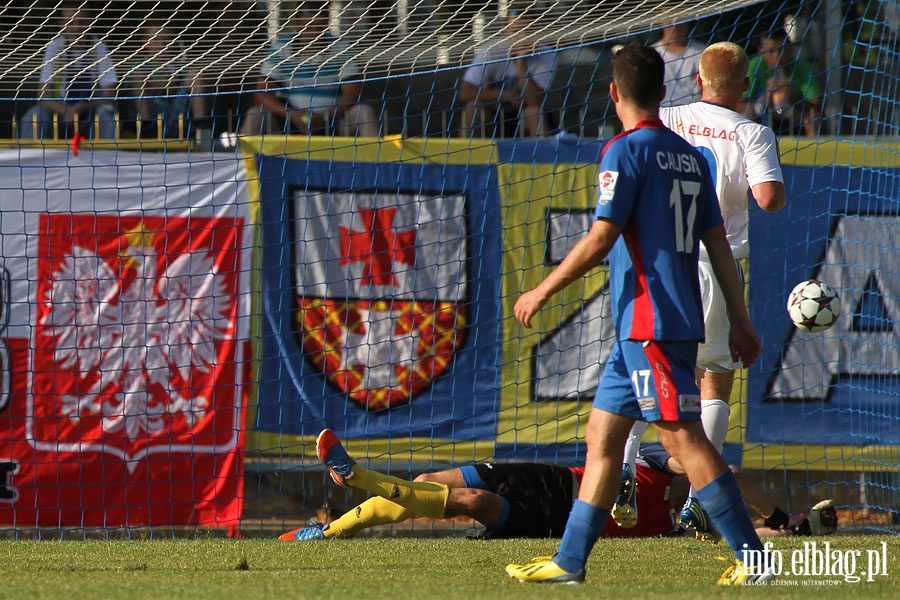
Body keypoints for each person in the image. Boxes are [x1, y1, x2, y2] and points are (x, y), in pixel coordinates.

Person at [501, 42, 770, 585]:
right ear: (664, 91)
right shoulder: (693, 157)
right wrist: (739, 318)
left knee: (683, 440)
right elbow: (718, 244)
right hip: (649, 326)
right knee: (601, 439)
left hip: (652, 321)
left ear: (613, 92)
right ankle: (570, 561)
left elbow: (601, 237)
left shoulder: (623, 151)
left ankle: (754, 558)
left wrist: (542, 292)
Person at [616, 41, 787, 541]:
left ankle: (623, 472)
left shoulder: (668, 116)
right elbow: (769, 199)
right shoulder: (753, 132)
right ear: (745, 87)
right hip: (719, 262)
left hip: (665, 257)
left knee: (648, 370)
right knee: (713, 380)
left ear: (697, 80)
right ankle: (698, 500)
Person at [281, 433, 835, 543]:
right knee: (429, 480)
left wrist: (793, 528)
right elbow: (728, 478)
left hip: (564, 521)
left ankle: (357, 481)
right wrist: (789, 520)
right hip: (554, 481)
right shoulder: (658, 465)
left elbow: (743, 521)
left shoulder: (678, 526)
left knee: (470, 504)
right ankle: (332, 528)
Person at [239, 1, 378, 138]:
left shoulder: (341, 48)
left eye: (320, 28)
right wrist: (291, 115)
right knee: (254, 114)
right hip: (288, 122)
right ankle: (244, 160)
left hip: (333, 121)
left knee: (363, 112)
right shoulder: (280, 49)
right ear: (297, 25)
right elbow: (261, 95)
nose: (314, 35)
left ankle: (379, 159)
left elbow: (352, 94)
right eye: (309, 28)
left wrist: (325, 116)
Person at [18, 2, 117, 141]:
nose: (76, 28)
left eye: (81, 22)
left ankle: (108, 157)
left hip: (90, 108)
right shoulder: (55, 47)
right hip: (59, 109)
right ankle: (28, 157)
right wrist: (66, 110)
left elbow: (109, 94)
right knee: (33, 116)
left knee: (106, 114)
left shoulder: (99, 48)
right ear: (61, 24)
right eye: (70, 22)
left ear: (90, 23)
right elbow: (43, 95)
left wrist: (83, 107)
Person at [457, 10, 557, 138]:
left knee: (534, 112)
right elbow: (465, 92)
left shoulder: (546, 54)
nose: (522, 37)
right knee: (473, 108)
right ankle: (466, 155)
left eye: (528, 31)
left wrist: (521, 62)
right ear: (506, 33)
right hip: (492, 113)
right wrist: (505, 96)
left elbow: (534, 100)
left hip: (523, 112)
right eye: (515, 32)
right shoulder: (491, 51)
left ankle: (541, 154)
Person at [744, 27, 822, 137]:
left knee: (812, 115)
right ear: (761, 51)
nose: (777, 56)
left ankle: (812, 148)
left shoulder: (801, 67)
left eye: (782, 50)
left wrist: (794, 97)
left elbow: (816, 103)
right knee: (745, 113)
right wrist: (765, 100)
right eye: (771, 51)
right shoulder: (754, 66)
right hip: (762, 118)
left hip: (793, 116)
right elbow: (737, 104)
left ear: (790, 49)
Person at [128, 22, 193, 139]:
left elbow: (179, 84)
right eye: (155, 40)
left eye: (166, 40)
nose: (161, 45)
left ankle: (201, 123)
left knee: (194, 75)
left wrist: (170, 84)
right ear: (145, 42)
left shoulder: (179, 66)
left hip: (176, 110)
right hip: (151, 110)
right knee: (138, 78)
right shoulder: (140, 67)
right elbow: (133, 88)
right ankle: (147, 126)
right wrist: (161, 85)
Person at [651, 22, 705, 107]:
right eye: (670, 21)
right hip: (662, 112)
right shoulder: (650, 55)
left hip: (694, 112)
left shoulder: (703, 53)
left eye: (678, 21)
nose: (674, 26)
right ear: (662, 21)